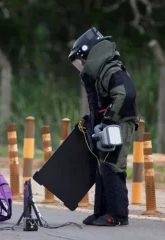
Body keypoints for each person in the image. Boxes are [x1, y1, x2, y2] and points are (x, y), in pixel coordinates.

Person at [68, 27, 139, 226]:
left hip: (121, 122)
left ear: (91, 53)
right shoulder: (101, 73)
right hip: (111, 124)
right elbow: (102, 104)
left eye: (81, 60)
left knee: (112, 166)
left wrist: (107, 120)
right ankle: (101, 213)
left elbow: (125, 94)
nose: (81, 66)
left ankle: (117, 216)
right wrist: (90, 121)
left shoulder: (112, 70)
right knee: (103, 167)